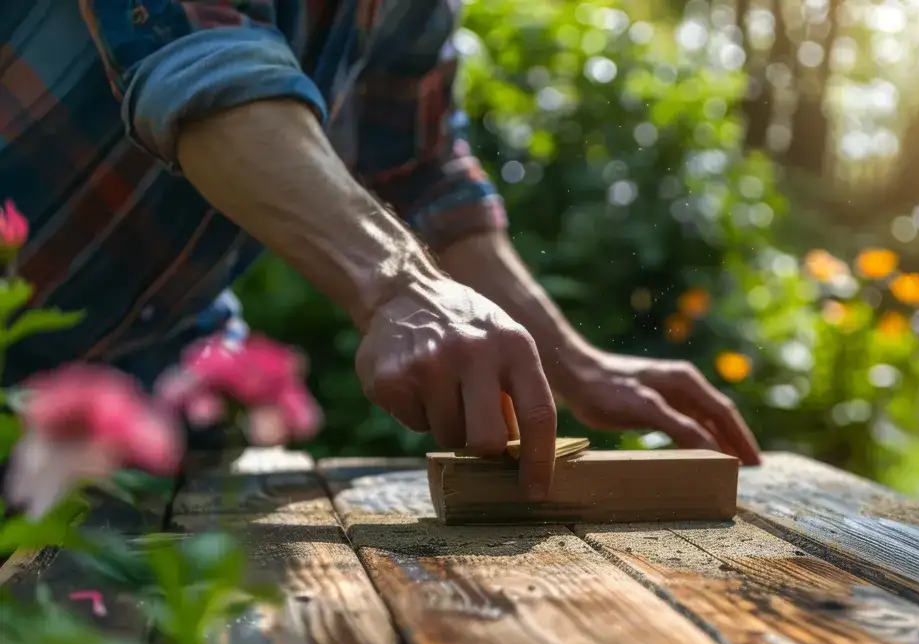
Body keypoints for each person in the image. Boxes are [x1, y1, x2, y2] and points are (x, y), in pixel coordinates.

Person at [0, 1, 761, 499]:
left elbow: (425, 176)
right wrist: (398, 285)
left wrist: (573, 362)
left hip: (143, 396)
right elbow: (202, 64)